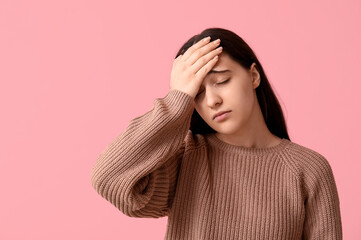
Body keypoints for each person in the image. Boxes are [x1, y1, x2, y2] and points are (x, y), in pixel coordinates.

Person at [90, 27, 342, 239]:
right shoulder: (185, 158)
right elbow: (109, 179)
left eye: (221, 81)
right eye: (197, 93)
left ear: (253, 76)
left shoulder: (308, 170)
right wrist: (177, 99)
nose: (212, 101)